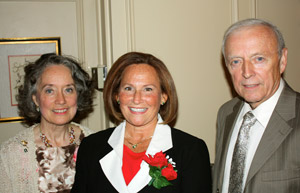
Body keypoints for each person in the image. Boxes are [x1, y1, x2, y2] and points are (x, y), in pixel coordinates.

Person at [71, 51, 212, 193]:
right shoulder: (91, 147)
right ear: (117, 96)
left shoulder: (191, 151)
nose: (137, 99)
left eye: (148, 89)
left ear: (163, 96)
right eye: (128, 88)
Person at [213, 18, 300, 193]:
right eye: (236, 61)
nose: (246, 73)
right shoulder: (226, 112)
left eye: (259, 59)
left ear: (282, 60)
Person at [0, 53, 95, 193]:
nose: (61, 100)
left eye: (68, 90)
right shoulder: (11, 154)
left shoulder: (95, 144)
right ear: (35, 99)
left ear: (78, 95)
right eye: (50, 90)